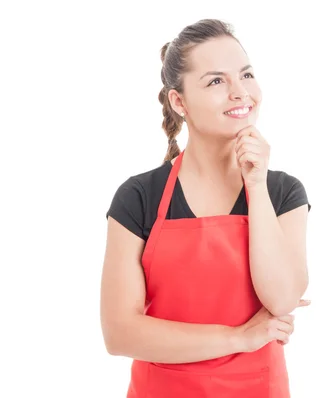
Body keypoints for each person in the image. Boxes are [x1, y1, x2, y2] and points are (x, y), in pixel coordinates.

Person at [100, 18, 311, 398]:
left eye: (245, 75)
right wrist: (238, 338)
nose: (240, 92)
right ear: (178, 102)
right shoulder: (139, 197)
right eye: (216, 81)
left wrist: (257, 184)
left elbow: (281, 298)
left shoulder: (282, 192)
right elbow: (119, 333)